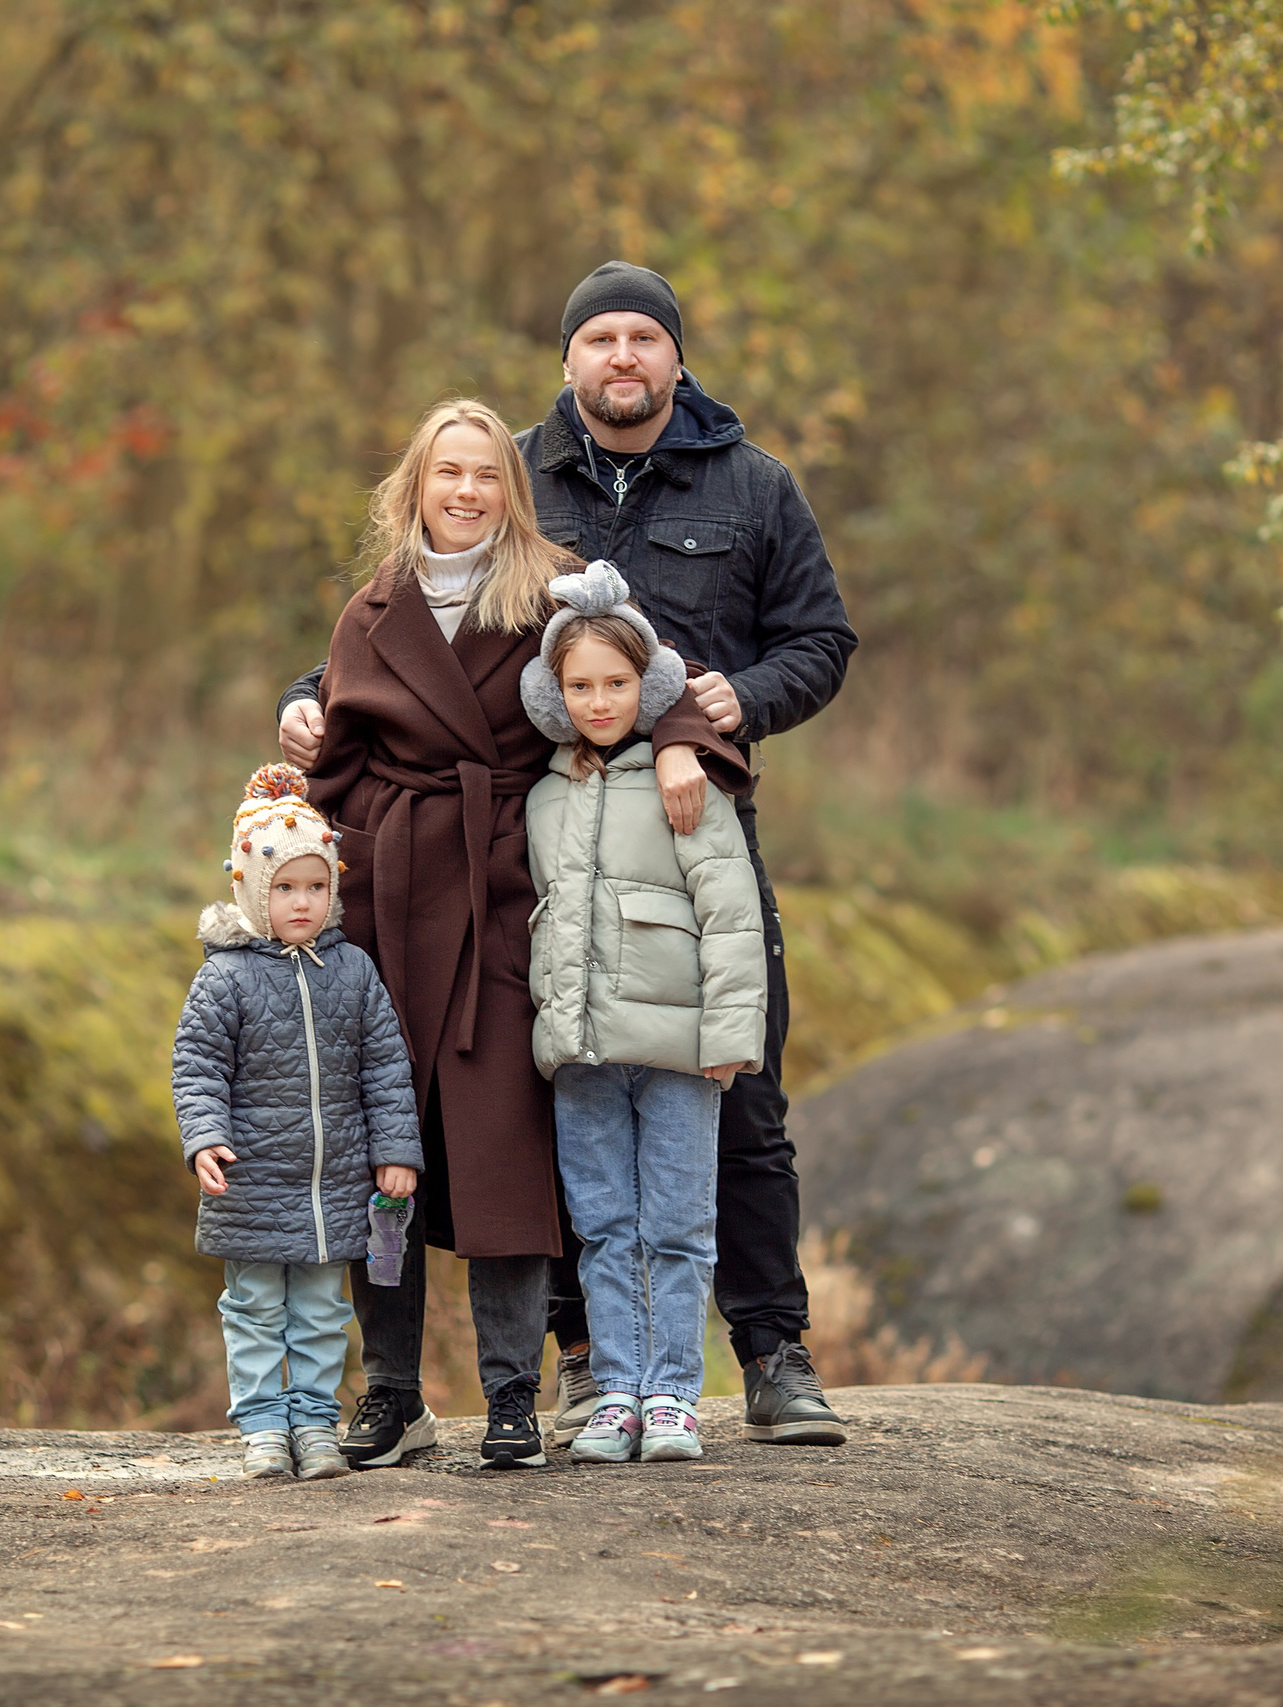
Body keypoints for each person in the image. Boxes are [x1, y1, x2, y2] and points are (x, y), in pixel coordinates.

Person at [280, 264, 858, 1447]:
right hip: (544, 844)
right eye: (600, 337)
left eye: (645, 337)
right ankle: (583, 1360)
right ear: (566, 359)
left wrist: (723, 713)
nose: (623, 358)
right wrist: (303, 706)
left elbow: (820, 640)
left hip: (691, 826)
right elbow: (387, 645)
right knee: (554, 1103)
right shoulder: (514, 476)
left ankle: (770, 1349)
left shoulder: (753, 488)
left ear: (677, 358)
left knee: (734, 1092)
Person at [297, 399, 744, 1470]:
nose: (465, 493)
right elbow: (339, 737)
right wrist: (301, 765)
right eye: (446, 473)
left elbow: (636, 675)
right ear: (413, 487)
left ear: (512, 488)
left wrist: (681, 739)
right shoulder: (369, 609)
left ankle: (508, 1391)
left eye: (486, 475)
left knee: (502, 1150)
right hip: (390, 902)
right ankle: (394, 1394)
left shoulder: (556, 587)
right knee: (380, 1153)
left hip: (505, 893)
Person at [520, 563, 764, 1463]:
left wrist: (732, 1038)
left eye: (617, 683)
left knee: (676, 1220)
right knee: (602, 1223)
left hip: (677, 1049)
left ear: (648, 683)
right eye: (579, 686)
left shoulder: (684, 784)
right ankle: (615, 1387)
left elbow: (732, 915)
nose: (599, 701)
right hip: (583, 1052)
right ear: (554, 693)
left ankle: (673, 1394)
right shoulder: (543, 795)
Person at [169, 764, 422, 1482]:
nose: (302, 902)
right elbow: (197, 1066)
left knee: (319, 1310)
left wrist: (395, 1150)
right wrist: (204, 1135)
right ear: (252, 889)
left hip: (332, 1184)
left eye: (316, 886)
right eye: (284, 888)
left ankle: (314, 1421)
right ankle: (260, 1426)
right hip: (253, 1181)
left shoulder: (354, 970)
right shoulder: (226, 977)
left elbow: (385, 1066)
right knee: (252, 1306)